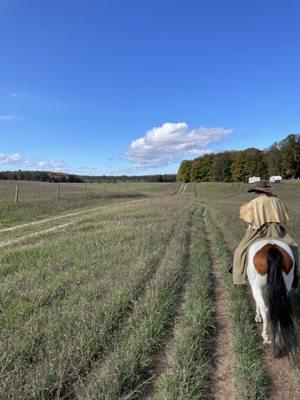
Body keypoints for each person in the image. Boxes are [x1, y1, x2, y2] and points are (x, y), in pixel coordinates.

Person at [231, 181, 298, 288]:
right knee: (293, 246)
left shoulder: (254, 202)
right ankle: (295, 275)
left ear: (257, 192)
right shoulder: (277, 200)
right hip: (277, 230)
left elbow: (245, 214)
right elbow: (284, 213)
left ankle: (238, 276)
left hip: (258, 231)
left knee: (240, 250)